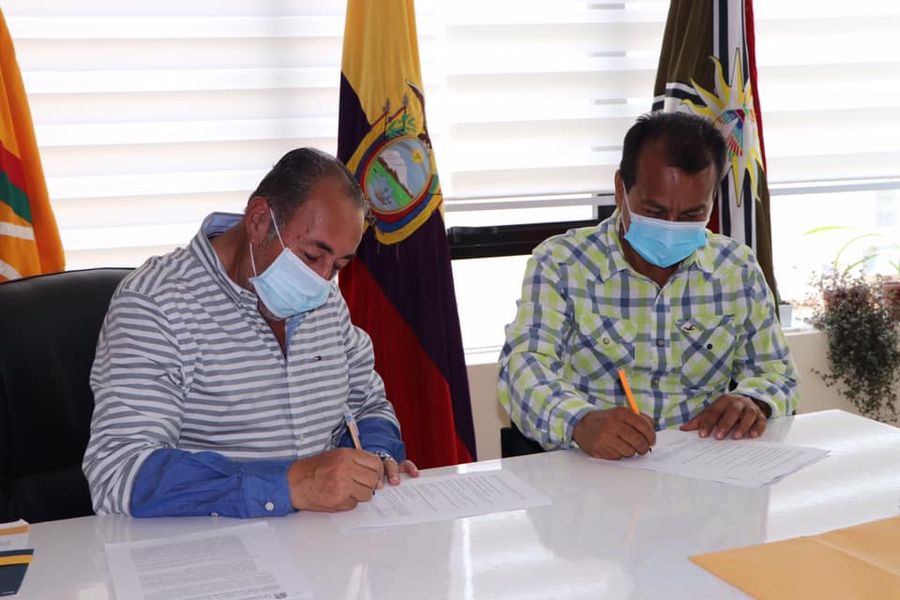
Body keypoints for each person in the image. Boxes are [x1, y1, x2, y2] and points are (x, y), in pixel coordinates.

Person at [83, 148, 418, 517]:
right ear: (259, 221)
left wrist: (375, 456)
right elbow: (118, 470)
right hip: (211, 542)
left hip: (323, 538)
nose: (322, 278)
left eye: (338, 265)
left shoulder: (325, 298)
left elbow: (366, 403)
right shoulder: (156, 302)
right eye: (311, 256)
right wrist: (288, 485)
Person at [498, 112, 799, 460]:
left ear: (712, 200)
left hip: (704, 469)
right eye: (654, 212)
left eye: (690, 215)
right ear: (620, 189)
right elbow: (523, 366)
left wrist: (753, 400)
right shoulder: (562, 263)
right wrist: (579, 421)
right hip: (594, 469)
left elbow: (777, 373)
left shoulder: (736, 268)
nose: (670, 227)